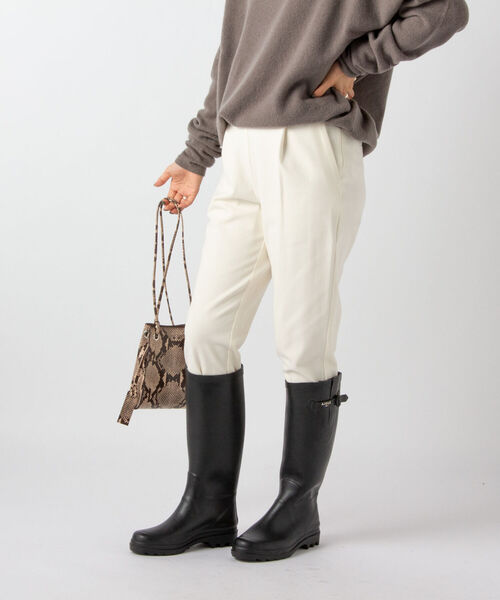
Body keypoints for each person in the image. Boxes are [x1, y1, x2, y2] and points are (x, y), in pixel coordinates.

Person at [129, 0, 469, 562]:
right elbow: (234, 53)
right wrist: (198, 153)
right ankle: (209, 505)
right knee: (208, 333)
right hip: (242, 144)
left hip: (312, 141)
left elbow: (445, 11)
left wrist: (357, 63)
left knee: (303, 335)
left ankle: (298, 504)